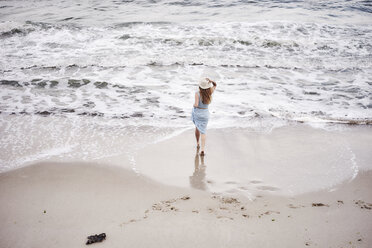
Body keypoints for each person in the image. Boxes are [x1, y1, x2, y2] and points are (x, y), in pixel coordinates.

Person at [191, 77, 217, 156]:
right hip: (205, 114)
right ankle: (202, 149)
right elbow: (215, 84)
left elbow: (196, 104)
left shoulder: (197, 93)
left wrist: (193, 105)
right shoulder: (210, 92)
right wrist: (211, 80)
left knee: (197, 128)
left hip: (198, 113)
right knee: (203, 131)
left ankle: (198, 143)